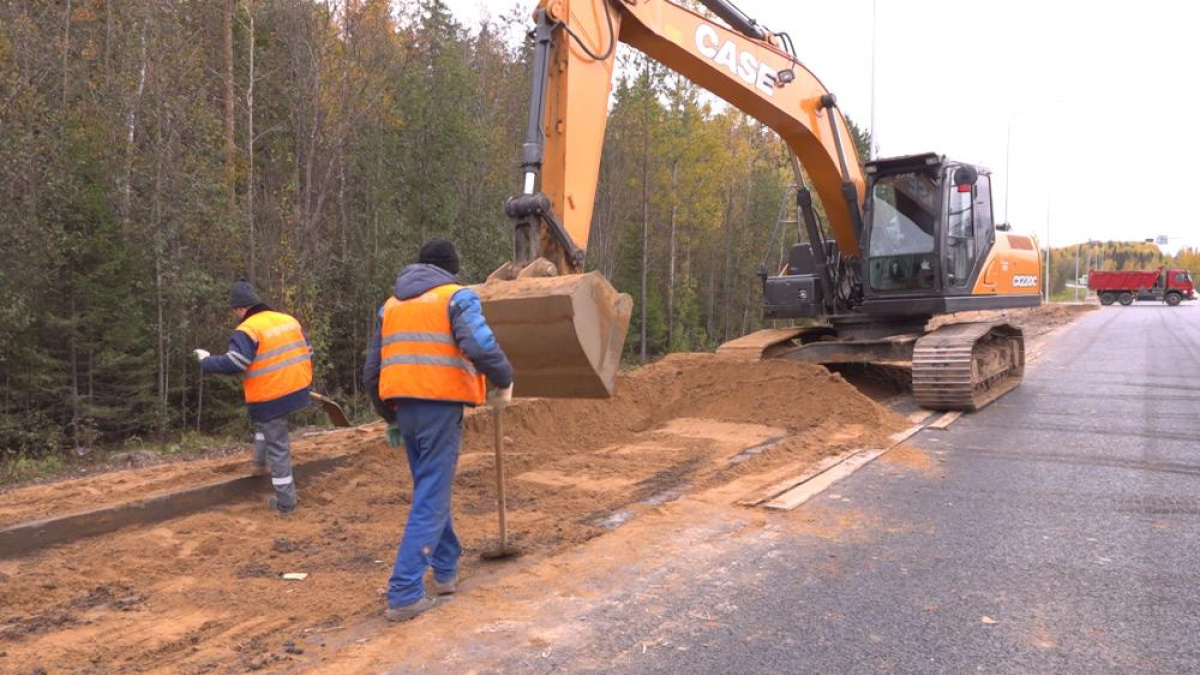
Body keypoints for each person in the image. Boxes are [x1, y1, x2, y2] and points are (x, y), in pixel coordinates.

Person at [363, 239, 514, 623]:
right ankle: (405, 592)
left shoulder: (390, 306)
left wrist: (390, 417)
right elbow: (479, 344)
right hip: (439, 407)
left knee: (430, 488)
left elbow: (371, 372)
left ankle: (445, 569)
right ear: (451, 269)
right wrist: (504, 378)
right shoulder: (455, 297)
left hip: (405, 409)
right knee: (431, 496)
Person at [195, 281, 313, 514]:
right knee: (266, 425)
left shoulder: (247, 330)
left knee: (278, 447)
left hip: (271, 396)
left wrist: (206, 361)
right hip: (297, 388)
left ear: (239, 309)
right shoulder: (287, 320)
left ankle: (286, 504)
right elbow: (308, 351)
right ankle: (259, 465)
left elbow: (235, 363)